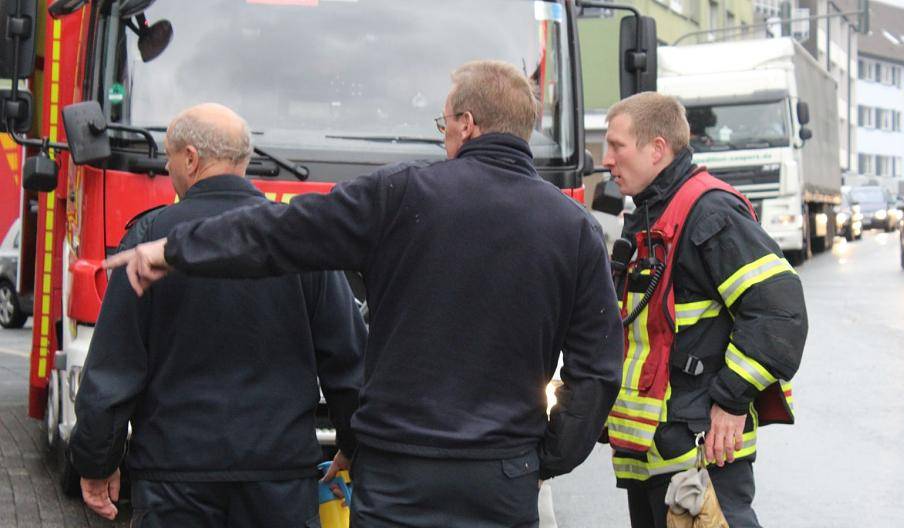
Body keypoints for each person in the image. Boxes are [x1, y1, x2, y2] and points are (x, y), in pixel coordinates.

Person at [104, 61, 624, 527]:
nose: (444, 136)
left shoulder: (400, 195)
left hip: (397, 475)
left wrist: (175, 249)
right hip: (502, 477)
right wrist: (545, 457)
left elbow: (279, 234)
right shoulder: (575, 228)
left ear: (467, 123)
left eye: (444, 123)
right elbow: (597, 370)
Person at [69, 103, 366, 527]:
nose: (167, 168)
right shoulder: (299, 238)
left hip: (174, 480)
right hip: (279, 479)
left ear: (191, 159)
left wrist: (97, 461)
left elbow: (114, 367)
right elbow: (348, 359)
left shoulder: (150, 239)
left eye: (170, 157)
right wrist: (354, 447)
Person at [600, 92, 807, 527]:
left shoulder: (708, 211)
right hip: (655, 455)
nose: (606, 159)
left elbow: (779, 310)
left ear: (657, 148)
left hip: (700, 454)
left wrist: (732, 400)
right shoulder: (649, 213)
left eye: (617, 146)